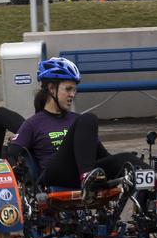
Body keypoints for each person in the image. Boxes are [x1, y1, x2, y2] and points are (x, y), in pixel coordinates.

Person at [9, 56, 145, 205]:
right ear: (51, 88)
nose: (72, 95)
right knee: (88, 118)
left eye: (74, 90)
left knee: (127, 160)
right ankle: (87, 179)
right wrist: (16, 169)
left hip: (82, 172)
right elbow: (12, 153)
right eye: (68, 89)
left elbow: (102, 154)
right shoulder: (34, 123)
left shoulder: (77, 120)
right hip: (55, 174)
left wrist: (119, 165)